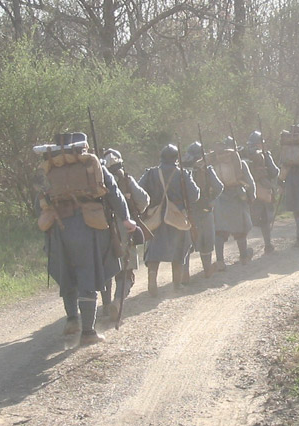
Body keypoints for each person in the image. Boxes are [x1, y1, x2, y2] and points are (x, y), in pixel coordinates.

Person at [36, 132, 136, 345]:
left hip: (57, 227)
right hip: (88, 227)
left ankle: (72, 319)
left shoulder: (50, 168)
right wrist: (126, 219)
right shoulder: (93, 164)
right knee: (87, 275)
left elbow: (41, 202)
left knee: (67, 272)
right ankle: (88, 332)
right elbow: (114, 193)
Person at [139, 144, 199, 297]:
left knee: (154, 250)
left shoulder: (151, 173)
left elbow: (139, 192)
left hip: (156, 217)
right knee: (179, 250)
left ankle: (152, 281)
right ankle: (177, 285)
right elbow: (194, 195)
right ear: (176, 158)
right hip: (177, 217)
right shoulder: (183, 174)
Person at [100, 148, 150, 321]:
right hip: (124, 231)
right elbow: (144, 200)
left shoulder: (96, 181)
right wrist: (135, 212)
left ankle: (106, 305)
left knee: (105, 269)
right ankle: (118, 300)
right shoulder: (126, 180)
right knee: (125, 271)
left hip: (100, 230)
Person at [180, 141, 224, 280]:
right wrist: (211, 199)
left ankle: (184, 274)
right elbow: (219, 186)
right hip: (204, 209)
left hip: (187, 211)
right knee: (206, 240)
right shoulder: (206, 168)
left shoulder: (182, 168)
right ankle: (207, 270)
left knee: (187, 241)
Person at [213, 137, 256, 270]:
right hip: (238, 197)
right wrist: (252, 197)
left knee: (220, 231)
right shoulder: (241, 163)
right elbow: (250, 182)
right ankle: (243, 257)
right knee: (240, 230)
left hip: (219, 198)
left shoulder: (214, 164)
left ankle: (220, 261)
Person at [241, 130, 280, 254]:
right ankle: (268, 245)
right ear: (259, 144)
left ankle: (244, 250)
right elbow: (274, 172)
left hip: (247, 191)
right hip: (263, 191)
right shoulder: (264, 154)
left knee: (247, 220)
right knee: (265, 220)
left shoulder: (243, 154)